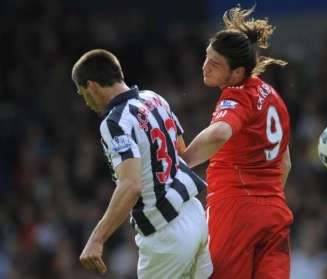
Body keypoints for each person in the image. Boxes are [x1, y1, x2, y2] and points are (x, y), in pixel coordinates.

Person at [71, 49, 212, 279]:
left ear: (92, 85)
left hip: (166, 235)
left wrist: (97, 239)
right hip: (194, 215)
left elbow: (131, 185)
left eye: (82, 93)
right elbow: (181, 152)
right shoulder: (154, 98)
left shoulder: (114, 122)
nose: (85, 101)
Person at [181, 6, 293, 279]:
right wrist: (265, 202)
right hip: (275, 213)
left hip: (235, 209)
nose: (205, 67)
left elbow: (220, 133)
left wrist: (179, 164)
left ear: (236, 72)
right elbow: (285, 163)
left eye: (215, 64)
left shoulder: (237, 95)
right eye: (206, 58)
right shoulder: (273, 97)